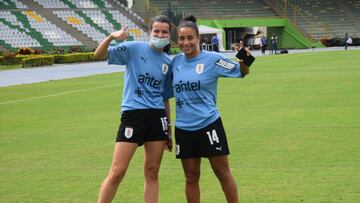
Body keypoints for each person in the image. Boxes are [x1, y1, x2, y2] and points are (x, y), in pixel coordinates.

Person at [166, 15, 250, 203]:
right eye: (182, 38)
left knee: (222, 172)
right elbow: (163, 93)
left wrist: (244, 56)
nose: (185, 42)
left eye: (190, 38)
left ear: (198, 38)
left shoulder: (212, 59)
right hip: (184, 129)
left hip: (209, 124)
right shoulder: (175, 63)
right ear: (177, 40)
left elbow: (242, 72)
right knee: (191, 177)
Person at [94, 15, 173, 203]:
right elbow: (99, 54)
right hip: (133, 115)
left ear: (169, 35)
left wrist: (168, 129)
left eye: (164, 32)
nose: (160, 34)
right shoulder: (134, 48)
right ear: (149, 32)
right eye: (156, 31)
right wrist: (112, 37)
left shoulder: (168, 63)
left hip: (157, 118)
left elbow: (165, 99)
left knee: (152, 172)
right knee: (117, 172)